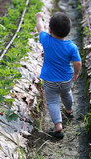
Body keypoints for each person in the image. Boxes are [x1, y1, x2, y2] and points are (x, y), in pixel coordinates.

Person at [35, 11, 82, 139]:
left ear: (50, 29)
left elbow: (40, 27)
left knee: (52, 102)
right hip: (66, 79)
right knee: (67, 94)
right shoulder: (71, 46)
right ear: (68, 31)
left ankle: (58, 125)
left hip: (50, 81)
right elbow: (77, 62)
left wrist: (39, 17)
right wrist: (76, 73)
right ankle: (69, 110)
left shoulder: (46, 39)